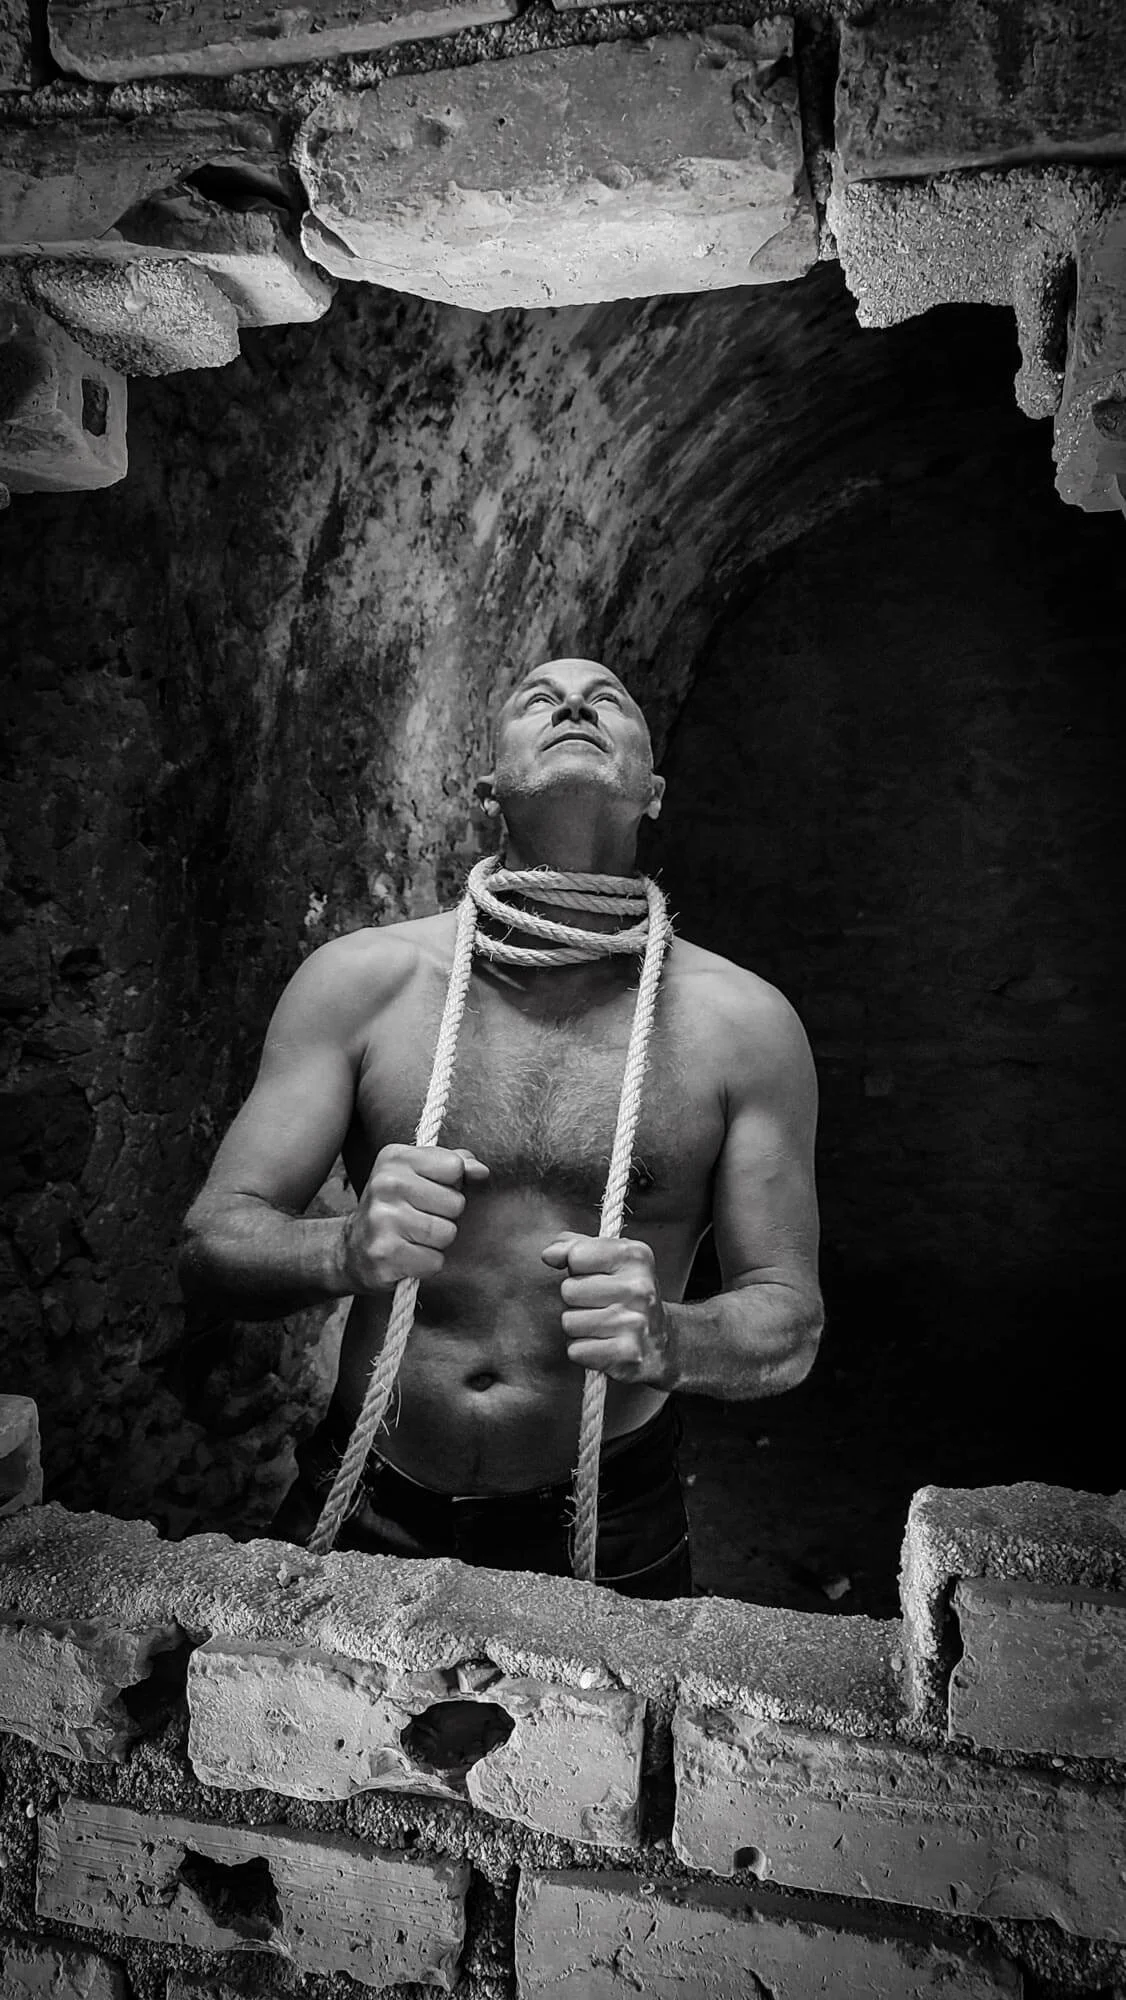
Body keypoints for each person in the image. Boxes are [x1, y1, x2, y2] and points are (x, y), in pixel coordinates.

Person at [180, 658, 823, 1596]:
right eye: (538, 697)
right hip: (366, 1487)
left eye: (608, 699)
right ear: (485, 789)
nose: (572, 704)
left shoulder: (745, 1027)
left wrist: (668, 1339)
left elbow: (789, 1323)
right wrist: (343, 1251)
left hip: (611, 1509)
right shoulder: (363, 983)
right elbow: (209, 1249)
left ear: (653, 789)